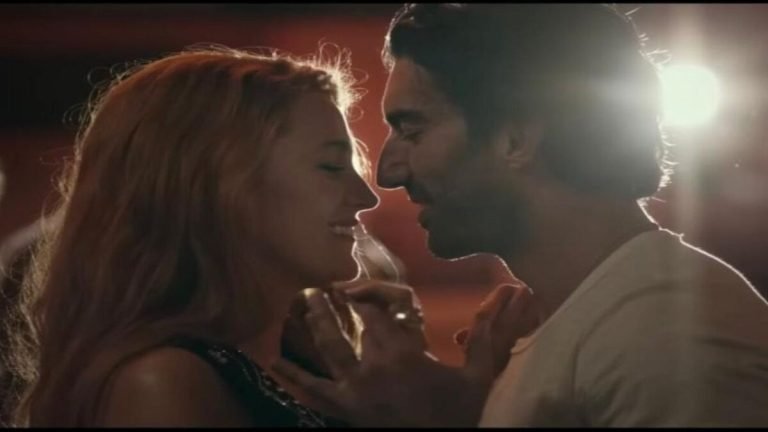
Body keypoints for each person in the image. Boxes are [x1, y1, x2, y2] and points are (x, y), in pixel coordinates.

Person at [274, 3, 768, 427]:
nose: (387, 172)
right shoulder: (585, 318)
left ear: (516, 140)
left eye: (412, 129)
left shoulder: (667, 339)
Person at [5, 46, 388, 427]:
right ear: (215, 183)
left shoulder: (308, 363)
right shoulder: (162, 383)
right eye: (331, 166)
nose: (366, 197)